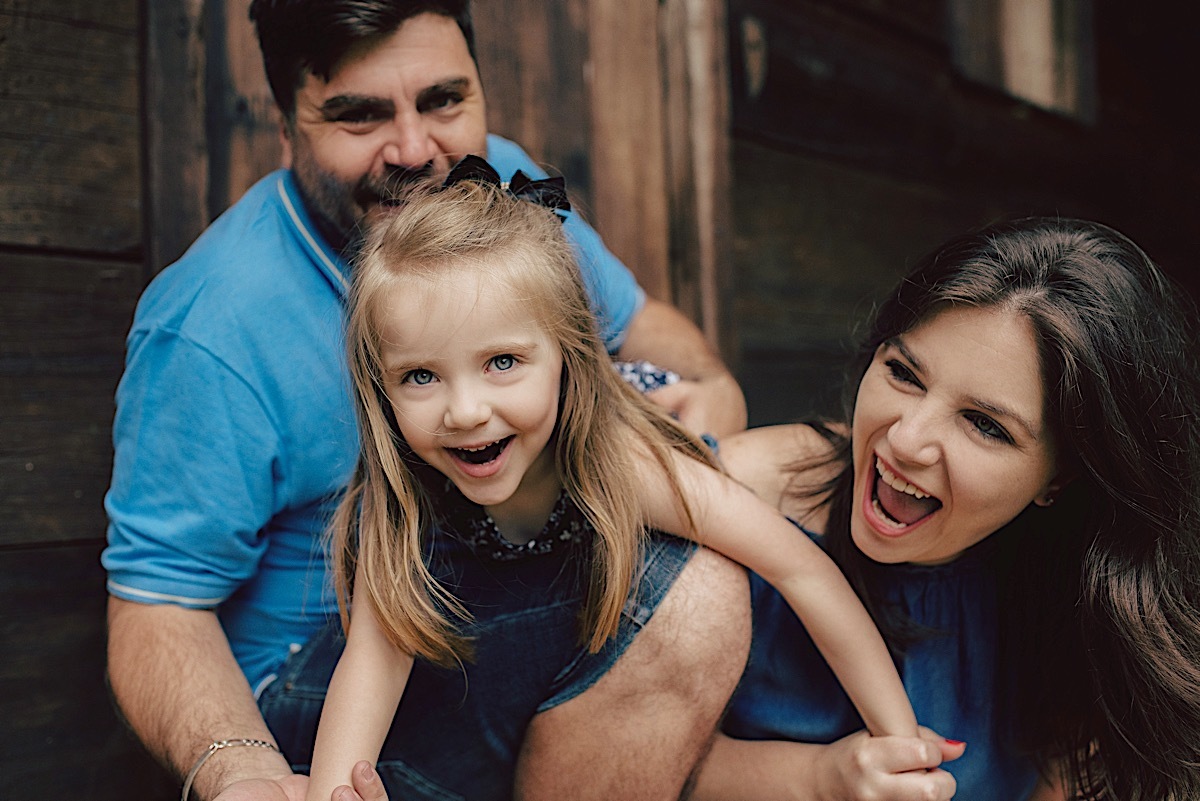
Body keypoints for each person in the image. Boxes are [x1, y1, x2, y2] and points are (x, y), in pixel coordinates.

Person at [102, 2, 748, 800]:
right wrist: (243, 770)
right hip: (317, 687)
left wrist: (713, 388)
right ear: (285, 130)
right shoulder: (209, 323)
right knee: (693, 602)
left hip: (485, 569)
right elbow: (156, 605)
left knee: (775, 482)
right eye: (359, 115)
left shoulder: (492, 188)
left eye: (444, 101)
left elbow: (645, 325)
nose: (416, 151)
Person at [300, 162, 920, 801]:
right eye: (420, 377)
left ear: (568, 357)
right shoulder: (406, 491)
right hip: (402, 717)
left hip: (526, 700)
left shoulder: (622, 466)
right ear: (382, 386)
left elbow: (799, 569)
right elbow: (374, 659)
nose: (464, 411)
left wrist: (900, 742)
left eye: (502, 363)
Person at [691, 217, 1200, 800]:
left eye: (984, 424)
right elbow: (614, 760)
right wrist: (815, 779)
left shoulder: (1085, 597)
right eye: (904, 374)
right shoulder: (736, 494)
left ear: (1060, 478)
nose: (906, 440)